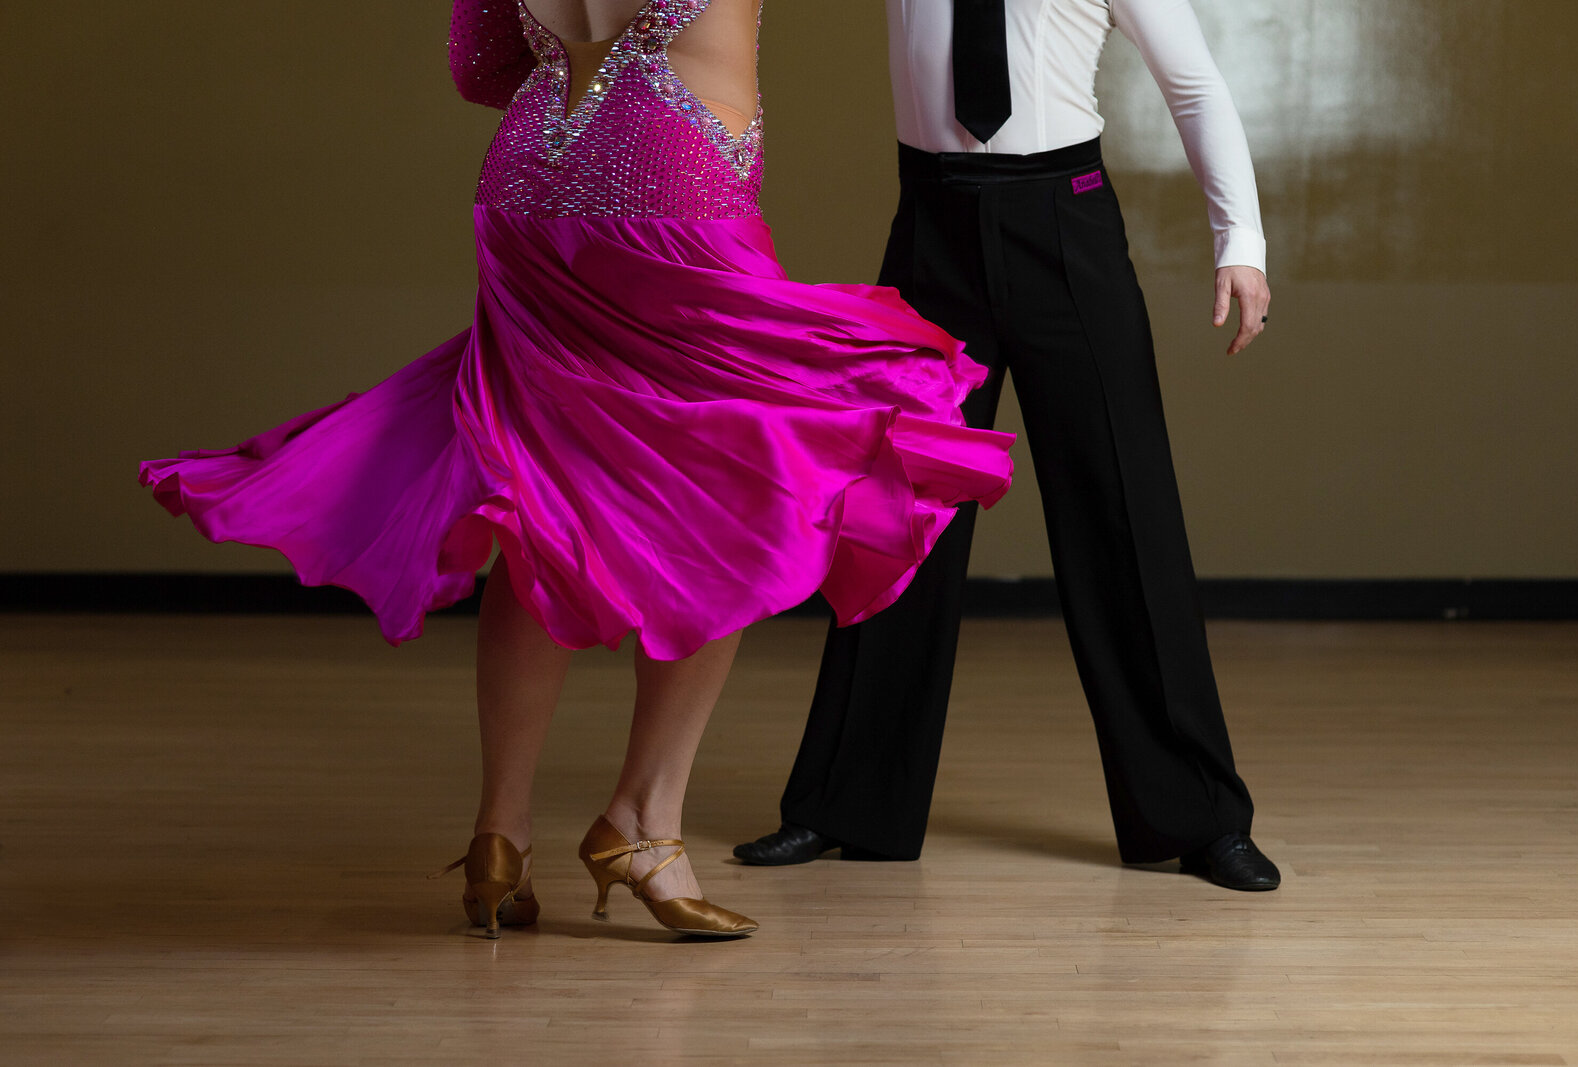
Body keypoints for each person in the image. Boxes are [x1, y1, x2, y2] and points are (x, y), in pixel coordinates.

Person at [139, 0, 1013, 940]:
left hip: (531, 185)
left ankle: (499, 837)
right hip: (673, 193)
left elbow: (481, 67)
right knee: (746, 501)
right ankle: (644, 821)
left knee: (539, 498)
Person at [733, 0, 1281, 891]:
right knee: (892, 521)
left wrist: (1241, 242)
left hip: (1065, 225)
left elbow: (1194, 84)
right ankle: (844, 804)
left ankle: (1202, 818)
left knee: (1124, 516)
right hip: (931, 231)